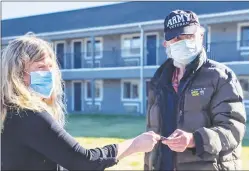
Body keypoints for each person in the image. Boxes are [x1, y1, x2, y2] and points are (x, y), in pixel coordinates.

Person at [1, 34, 161, 171]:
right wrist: (134, 144)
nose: (49, 73)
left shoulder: (9, 113)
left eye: (50, 66)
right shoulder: (30, 116)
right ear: (18, 74)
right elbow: (84, 161)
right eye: (40, 67)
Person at [144, 10, 246, 171]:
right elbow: (152, 131)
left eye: (188, 36)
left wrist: (194, 140)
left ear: (201, 36)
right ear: (166, 44)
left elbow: (233, 129)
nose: (182, 42)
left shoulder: (220, 77)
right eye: (176, 38)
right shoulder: (158, 82)